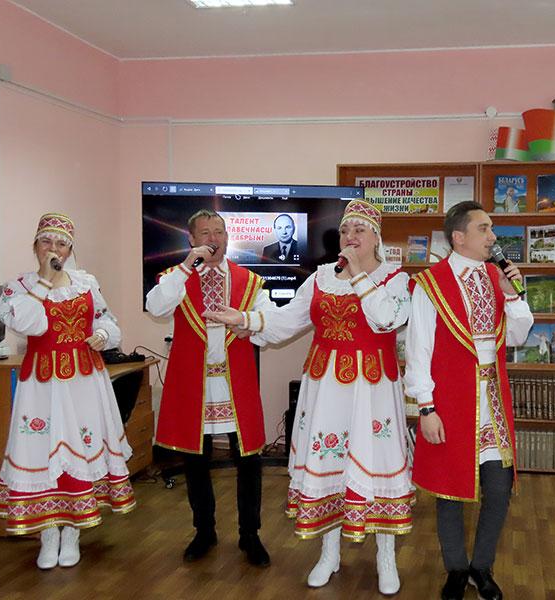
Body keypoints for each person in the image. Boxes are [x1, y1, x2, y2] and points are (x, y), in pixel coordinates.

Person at [205, 199, 414, 595]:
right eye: (345, 230)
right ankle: (329, 553)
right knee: (327, 463)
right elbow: (287, 320)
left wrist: (358, 274)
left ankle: (386, 557)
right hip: (326, 387)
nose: (350, 236)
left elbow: (386, 319)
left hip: (373, 389)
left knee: (377, 463)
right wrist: (245, 319)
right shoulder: (320, 277)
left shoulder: (396, 280)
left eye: (359, 230)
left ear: (376, 238)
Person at [404, 201, 533, 600]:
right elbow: (419, 348)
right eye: (484, 228)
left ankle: (482, 566)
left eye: (491, 228)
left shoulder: (497, 278)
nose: (493, 236)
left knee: (498, 488)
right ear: (459, 237)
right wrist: (426, 407)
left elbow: (518, 336)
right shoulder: (431, 283)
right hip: (452, 399)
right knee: (450, 490)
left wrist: (513, 296)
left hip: (493, 398)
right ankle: (456, 568)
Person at [0, 213, 136, 569]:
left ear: (70, 249)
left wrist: (103, 335)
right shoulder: (19, 287)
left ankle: (72, 531)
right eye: (46, 241)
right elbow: (30, 323)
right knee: (42, 452)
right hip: (42, 385)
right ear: (35, 246)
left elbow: (107, 320)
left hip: (84, 382)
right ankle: (48, 533)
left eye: (61, 243)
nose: (53, 249)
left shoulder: (86, 283)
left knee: (81, 450)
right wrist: (44, 281)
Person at [145, 209, 272, 566]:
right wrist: (187, 267)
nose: (214, 239)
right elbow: (155, 307)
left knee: (248, 459)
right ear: (191, 239)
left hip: (236, 382)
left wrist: (252, 324)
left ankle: (250, 534)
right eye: (205, 232)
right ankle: (204, 531)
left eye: (219, 231)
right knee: (195, 459)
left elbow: (267, 319)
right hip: (193, 383)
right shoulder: (175, 277)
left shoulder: (249, 281)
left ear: (227, 237)